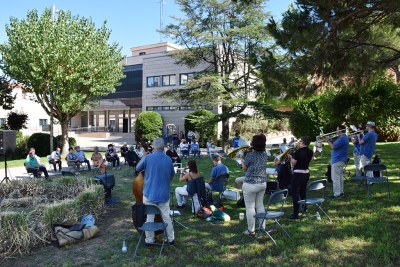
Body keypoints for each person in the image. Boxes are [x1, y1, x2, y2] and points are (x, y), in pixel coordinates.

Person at [136, 138, 175, 246]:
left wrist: (143, 157)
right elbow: (171, 176)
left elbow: (137, 168)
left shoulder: (148, 158)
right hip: (164, 193)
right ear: (163, 147)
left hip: (149, 193)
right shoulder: (168, 159)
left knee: (150, 217)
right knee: (166, 216)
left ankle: (149, 240)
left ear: (153, 147)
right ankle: (170, 239)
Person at [240, 135, 268, 236]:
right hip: (262, 183)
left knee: (250, 207)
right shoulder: (265, 154)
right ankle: (262, 228)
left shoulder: (250, 155)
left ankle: (251, 230)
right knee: (260, 205)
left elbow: (244, 169)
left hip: (250, 184)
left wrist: (241, 159)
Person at [288, 136, 314, 219]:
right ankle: (304, 209)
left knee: (295, 193)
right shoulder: (310, 152)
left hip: (298, 174)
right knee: (303, 192)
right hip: (306, 173)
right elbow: (310, 160)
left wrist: (290, 157)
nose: (298, 143)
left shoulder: (298, 152)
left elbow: (293, 163)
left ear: (302, 142)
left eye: (299, 141)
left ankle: (296, 213)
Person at [327, 125, 349, 199]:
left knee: (335, 177)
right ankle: (340, 192)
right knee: (339, 177)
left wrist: (328, 141)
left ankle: (337, 194)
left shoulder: (342, 137)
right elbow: (336, 144)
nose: (336, 131)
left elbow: (333, 147)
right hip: (340, 159)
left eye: (337, 130)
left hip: (338, 159)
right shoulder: (344, 137)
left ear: (340, 130)